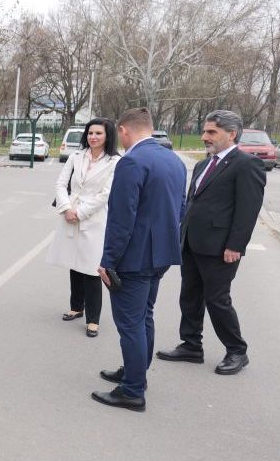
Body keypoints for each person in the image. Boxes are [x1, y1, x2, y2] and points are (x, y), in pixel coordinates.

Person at [156, 110, 266, 375]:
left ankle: (237, 350)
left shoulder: (246, 164)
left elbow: (248, 210)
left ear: (232, 133)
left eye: (211, 132)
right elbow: (193, 203)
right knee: (190, 296)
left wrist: (236, 246)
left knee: (217, 300)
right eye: (205, 131)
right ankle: (191, 345)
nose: (204, 137)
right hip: (192, 243)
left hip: (220, 248)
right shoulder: (204, 164)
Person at [92, 108, 186, 412]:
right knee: (144, 315)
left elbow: (121, 219)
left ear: (124, 130)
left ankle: (132, 391)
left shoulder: (131, 161)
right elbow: (181, 209)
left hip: (133, 258)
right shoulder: (174, 159)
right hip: (160, 255)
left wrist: (108, 261)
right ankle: (136, 374)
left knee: (130, 324)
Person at [46, 118, 121, 338]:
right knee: (74, 262)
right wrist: (67, 208)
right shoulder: (76, 156)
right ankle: (76, 307)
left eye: (98, 133)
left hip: (94, 218)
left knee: (91, 267)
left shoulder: (115, 161)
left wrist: (80, 212)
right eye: (90, 133)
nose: (93, 137)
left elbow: (106, 194)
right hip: (70, 212)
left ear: (108, 136)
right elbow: (61, 184)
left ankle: (93, 319)